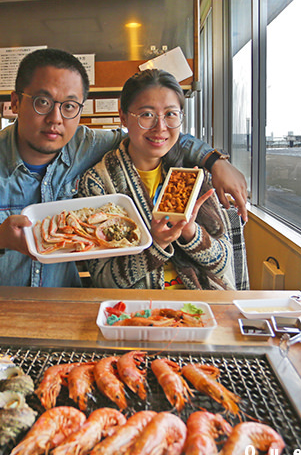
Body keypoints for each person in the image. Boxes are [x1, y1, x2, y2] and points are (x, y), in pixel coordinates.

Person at [0, 48, 247, 287]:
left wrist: (215, 161)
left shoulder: (87, 144)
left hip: (64, 310)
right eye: (43, 102)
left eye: (70, 106)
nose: (56, 119)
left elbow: (155, 134)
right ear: (14, 103)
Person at [79, 69, 235, 290]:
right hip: (138, 309)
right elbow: (103, 280)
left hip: (202, 304)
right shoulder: (98, 182)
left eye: (171, 114)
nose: (160, 127)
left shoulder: (193, 172)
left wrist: (191, 232)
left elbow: (223, 265)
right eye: (147, 114)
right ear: (123, 117)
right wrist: (157, 244)